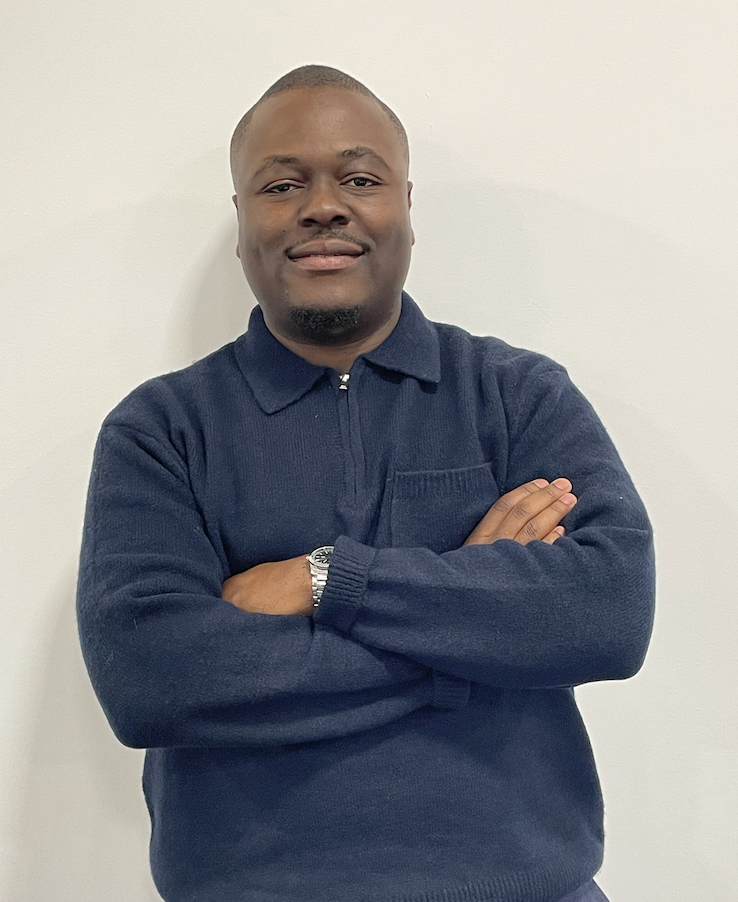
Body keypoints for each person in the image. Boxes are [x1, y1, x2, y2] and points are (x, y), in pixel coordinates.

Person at [77, 65, 655, 902]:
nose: (323, 206)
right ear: (242, 221)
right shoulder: (160, 429)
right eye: (283, 185)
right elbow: (152, 679)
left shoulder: (517, 395)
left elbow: (609, 612)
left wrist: (324, 580)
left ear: (406, 206)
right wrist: (470, 633)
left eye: (359, 179)